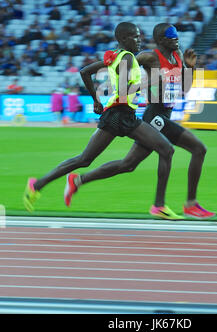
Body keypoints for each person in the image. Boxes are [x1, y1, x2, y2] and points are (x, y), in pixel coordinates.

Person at [23, 22, 178, 219]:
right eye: (135, 37)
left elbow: (85, 72)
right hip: (119, 115)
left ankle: (39, 185)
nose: (139, 41)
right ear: (123, 39)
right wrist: (150, 82)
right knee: (86, 159)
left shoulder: (116, 56)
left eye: (140, 37)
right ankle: (158, 205)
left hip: (123, 114)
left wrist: (96, 100)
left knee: (91, 160)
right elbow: (123, 91)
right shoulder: (128, 58)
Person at [66, 23, 215, 220]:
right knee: (198, 148)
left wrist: (192, 68)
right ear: (161, 40)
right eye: (171, 36)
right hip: (154, 115)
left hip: (166, 114)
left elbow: (184, 89)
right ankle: (182, 204)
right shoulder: (149, 56)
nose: (176, 39)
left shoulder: (178, 55)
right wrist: (105, 66)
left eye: (177, 35)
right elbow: (121, 62)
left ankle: (78, 181)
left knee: (128, 164)